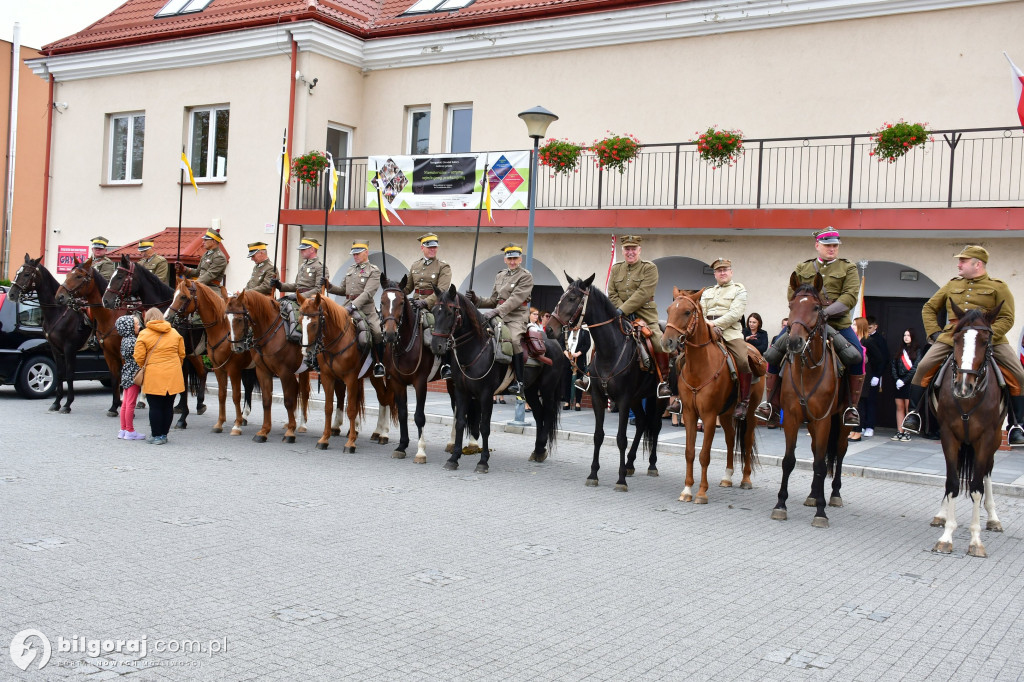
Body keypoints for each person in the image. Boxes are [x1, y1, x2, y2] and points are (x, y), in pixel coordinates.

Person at [901, 245, 1024, 445]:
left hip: (988, 339)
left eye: (963, 261)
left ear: (978, 264)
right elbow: (930, 307)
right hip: (953, 338)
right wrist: (935, 332)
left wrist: (988, 337)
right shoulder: (952, 285)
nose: (959, 264)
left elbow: (1007, 318)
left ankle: (1017, 425)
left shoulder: (998, 287)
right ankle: (914, 414)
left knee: (1019, 375)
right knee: (923, 367)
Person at [756, 227, 865, 427]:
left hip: (837, 323)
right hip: (805, 323)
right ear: (818, 246)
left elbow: (849, 297)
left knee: (857, 355)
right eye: (827, 245)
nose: (832, 249)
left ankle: (851, 407)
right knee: (774, 351)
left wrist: (825, 313)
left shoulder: (848, 268)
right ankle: (769, 403)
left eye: (835, 245)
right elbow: (792, 294)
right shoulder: (802, 268)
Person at [599, 235, 671, 398]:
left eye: (633, 249)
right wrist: (620, 311)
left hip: (645, 316)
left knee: (659, 344)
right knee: (600, 338)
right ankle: (590, 376)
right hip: (620, 316)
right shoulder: (617, 268)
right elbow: (612, 293)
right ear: (622, 251)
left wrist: (623, 309)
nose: (630, 252)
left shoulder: (649, 268)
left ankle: (663, 381)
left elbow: (644, 293)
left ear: (639, 250)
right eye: (627, 249)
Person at [467, 243, 534, 395]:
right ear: (505, 259)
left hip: (516, 317)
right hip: (498, 316)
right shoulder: (500, 275)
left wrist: (495, 311)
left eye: (515, 258)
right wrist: (476, 299)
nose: (512, 261)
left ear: (520, 259)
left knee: (514, 341)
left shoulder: (525, 276)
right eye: (509, 258)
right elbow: (493, 300)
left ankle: (520, 382)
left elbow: (515, 300)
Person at [700, 258, 752, 418]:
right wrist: (707, 324)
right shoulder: (707, 292)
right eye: (719, 270)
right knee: (682, 357)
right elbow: (700, 311)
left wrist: (714, 324)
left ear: (731, 272)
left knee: (743, 360)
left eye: (725, 270)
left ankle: (743, 401)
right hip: (706, 330)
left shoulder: (739, 290)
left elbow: (735, 313)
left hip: (730, 332)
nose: (722, 273)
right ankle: (680, 398)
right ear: (715, 274)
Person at [325, 240, 384, 378]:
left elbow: (368, 293)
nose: (355, 256)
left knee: (377, 332)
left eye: (358, 254)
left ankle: (379, 363)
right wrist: (329, 286)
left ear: (366, 252)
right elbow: (343, 290)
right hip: (347, 306)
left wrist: (353, 306)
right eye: (354, 254)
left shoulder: (374, 271)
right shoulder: (350, 269)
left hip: (366, 309)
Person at [402, 233, 453, 377]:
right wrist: (395, 289)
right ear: (422, 247)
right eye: (429, 247)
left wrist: (425, 302)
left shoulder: (443, 266)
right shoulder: (415, 265)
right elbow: (408, 288)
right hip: (415, 304)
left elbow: (442, 290)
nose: (433, 250)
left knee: (441, 330)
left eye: (435, 247)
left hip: (435, 307)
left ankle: (446, 364)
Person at [134, 307, 186, 446]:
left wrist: (147, 365)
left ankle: (156, 435)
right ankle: (164, 434)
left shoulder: (144, 334)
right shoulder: (174, 333)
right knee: (168, 406)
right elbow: (182, 354)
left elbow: (139, 357)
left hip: (154, 374)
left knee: (155, 407)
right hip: (173, 374)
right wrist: (174, 366)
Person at [270, 237, 327, 352]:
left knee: (292, 312)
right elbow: (297, 286)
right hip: (298, 298)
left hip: (310, 303)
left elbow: (317, 290)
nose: (301, 252)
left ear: (312, 249)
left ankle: (298, 337)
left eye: (304, 249)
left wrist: (300, 297)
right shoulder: (302, 266)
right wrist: (280, 285)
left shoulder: (320, 267)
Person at [115, 313, 146, 440]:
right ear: (129, 327)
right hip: (134, 373)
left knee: (125, 403)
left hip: (126, 372)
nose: (139, 326)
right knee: (131, 403)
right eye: (136, 324)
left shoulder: (124, 340)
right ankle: (130, 431)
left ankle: (123, 429)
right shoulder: (134, 341)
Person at [175, 228, 228, 298]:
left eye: (206, 240)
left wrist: (194, 283)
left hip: (212, 288)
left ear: (214, 241)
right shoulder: (206, 254)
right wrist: (184, 269)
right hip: (200, 285)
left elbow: (210, 274)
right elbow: (198, 272)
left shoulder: (219, 257)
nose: (203, 242)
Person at [891, 328, 922, 442]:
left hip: (910, 383)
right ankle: (900, 431)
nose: (906, 337)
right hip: (899, 383)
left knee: (909, 408)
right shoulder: (900, 350)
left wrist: (905, 380)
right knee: (899, 407)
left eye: (908, 335)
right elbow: (893, 365)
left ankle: (907, 432)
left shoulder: (917, 350)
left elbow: (916, 367)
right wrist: (897, 379)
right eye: (904, 335)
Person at [861, 316, 890, 439]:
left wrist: (877, 375)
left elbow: (883, 359)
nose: (867, 330)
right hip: (863, 374)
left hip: (873, 374)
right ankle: (861, 424)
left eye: (870, 328)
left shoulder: (879, 339)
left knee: (871, 401)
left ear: (875, 326)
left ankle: (870, 426)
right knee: (861, 401)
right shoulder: (863, 338)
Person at [848, 317, 870, 441]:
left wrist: (876, 375)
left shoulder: (868, 341)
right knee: (853, 404)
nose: (852, 327)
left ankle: (858, 432)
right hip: (855, 375)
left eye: (855, 325)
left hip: (864, 376)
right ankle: (853, 430)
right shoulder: (854, 340)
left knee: (860, 404)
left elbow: (879, 359)